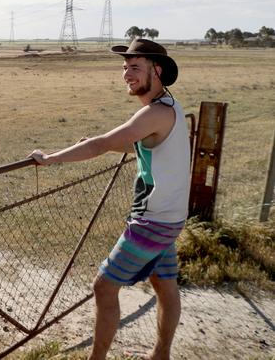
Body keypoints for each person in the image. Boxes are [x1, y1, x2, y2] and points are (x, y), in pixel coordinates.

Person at [29, 39, 190, 360]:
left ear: (156, 71)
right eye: (125, 68)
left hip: (153, 220)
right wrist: (105, 142)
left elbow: (103, 144)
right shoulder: (171, 107)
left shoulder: (154, 113)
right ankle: (161, 354)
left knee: (104, 286)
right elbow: (144, 145)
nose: (127, 75)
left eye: (135, 68)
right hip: (170, 217)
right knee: (165, 284)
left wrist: (50, 158)